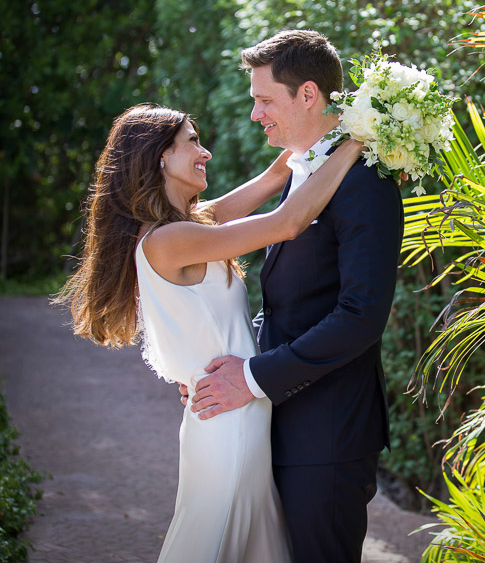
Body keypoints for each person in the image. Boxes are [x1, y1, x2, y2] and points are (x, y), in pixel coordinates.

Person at [57, 103, 366, 562]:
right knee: (215, 544)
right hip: (230, 427)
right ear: (160, 156)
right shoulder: (170, 240)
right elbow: (288, 222)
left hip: (233, 414)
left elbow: (273, 179)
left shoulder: (189, 226)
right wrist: (359, 142)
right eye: (192, 142)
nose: (206, 153)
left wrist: (340, 124)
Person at [186, 29, 403, 562]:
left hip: (327, 438)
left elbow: (360, 316)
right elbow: (290, 306)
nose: (256, 113)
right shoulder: (306, 171)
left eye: (264, 99)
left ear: (308, 94)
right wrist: (229, 366)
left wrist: (254, 378)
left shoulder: (364, 181)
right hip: (281, 425)